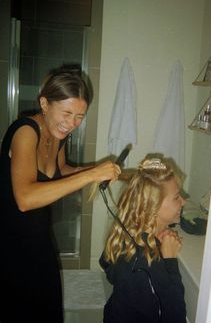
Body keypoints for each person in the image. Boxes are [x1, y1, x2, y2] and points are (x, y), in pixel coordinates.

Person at [0, 65, 121, 323]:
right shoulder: (25, 132)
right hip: (9, 244)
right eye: (67, 113)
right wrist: (91, 176)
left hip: (39, 237)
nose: (72, 124)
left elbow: (62, 169)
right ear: (44, 103)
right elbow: (25, 199)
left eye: (80, 116)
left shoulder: (58, 136)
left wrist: (99, 170)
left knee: (49, 308)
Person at [99, 157, 187, 323]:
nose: (183, 201)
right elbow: (175, 317)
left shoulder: (128, 232)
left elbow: (106, 264)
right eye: (176, 197)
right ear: (153, 207)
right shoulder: (148, 263)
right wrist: (170, 260)